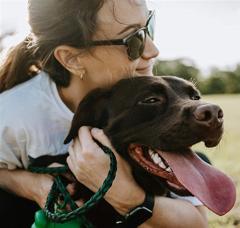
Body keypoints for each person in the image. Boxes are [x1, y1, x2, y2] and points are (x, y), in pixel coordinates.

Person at [0, 0, 208, 227]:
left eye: (149, 26)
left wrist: (124, 193)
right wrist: (34, 186)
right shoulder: (13, 114)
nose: (153, 50)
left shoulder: (151, 95)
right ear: (71, 58)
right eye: (133, 40)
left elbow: (196, 223)